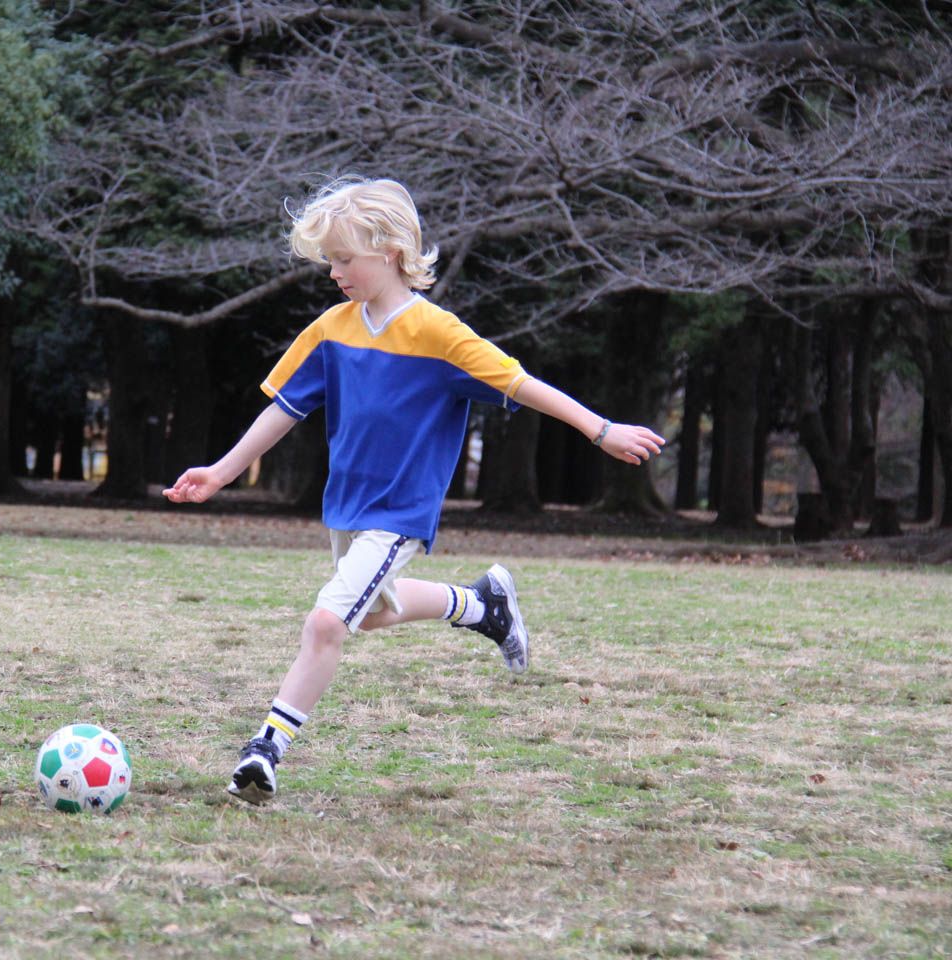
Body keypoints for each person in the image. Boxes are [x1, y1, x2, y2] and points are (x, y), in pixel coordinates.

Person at [163, 177, 666, 805]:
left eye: (345, 259)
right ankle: (482, 606)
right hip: (346, 506)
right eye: (330, 262)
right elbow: (285, 408)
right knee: (373, 612)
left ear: (392, 250)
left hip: (400, 512)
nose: (335, 273)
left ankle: (265, 750)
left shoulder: (440, 335)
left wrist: (602, 429)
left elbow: (522, 384)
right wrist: (221, 470)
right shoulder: (331, 330)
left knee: (327, 622)